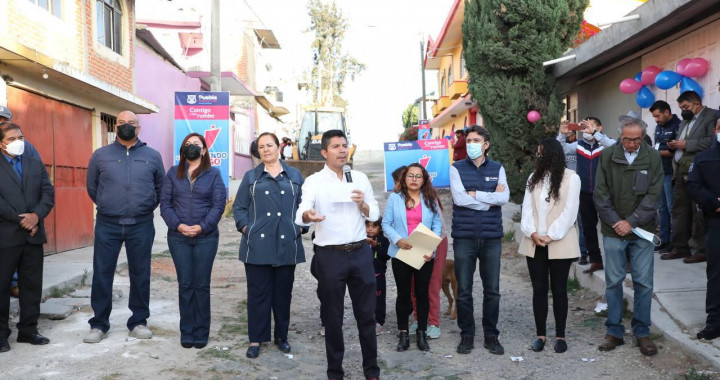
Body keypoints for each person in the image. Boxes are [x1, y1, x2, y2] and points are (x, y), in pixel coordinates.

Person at [295, 129, 380, 380]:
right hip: (330, 256)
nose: (342, 150)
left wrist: (363, 205)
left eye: (345, 145)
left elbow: (374, 212)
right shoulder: (314, 182)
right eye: (336, 146)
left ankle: (372, 371)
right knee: (333, 318)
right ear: (324, 152)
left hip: (360, 253)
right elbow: (301, 211)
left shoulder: (360, 178)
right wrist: (308, 216)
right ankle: (335, 372)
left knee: (366, 315)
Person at [84, 110, 165, 343]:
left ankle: (138, 321)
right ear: (115, 127)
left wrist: (144, 205)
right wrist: (110, 204)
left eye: (131, 123)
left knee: (140, 274)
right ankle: (99, 324)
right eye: (121, 123)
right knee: (102, 274)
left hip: (141, 224)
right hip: (107, 224)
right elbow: (92, 187)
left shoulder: (152, 155)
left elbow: (160, 188)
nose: (126, 126)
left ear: (139, 128)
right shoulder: (100, 155)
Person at [593, 114, 663, 356]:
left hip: (642, 230)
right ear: (620, 136)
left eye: (636, 140)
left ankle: (642, 332)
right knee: (613, 282)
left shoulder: (652, 157)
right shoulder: (607, 155)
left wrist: (631, 222)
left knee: (644, 283)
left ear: (643, 137)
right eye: (626, 139)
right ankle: (614, 331)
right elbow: (600, 195)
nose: (631, 144)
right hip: (613, 230)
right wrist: (617, 223)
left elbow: (654, 195)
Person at [233, 132, 306, 359]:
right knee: (257, 294)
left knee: (283, 295)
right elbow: (239, 208)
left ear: (278, 147)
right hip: (257, 247)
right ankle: (256, 339)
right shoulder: (251, 177)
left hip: (287, 245)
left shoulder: (294, 175)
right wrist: (248, 229)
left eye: (270, 145)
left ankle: (281, 337)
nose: (266, 150)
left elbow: (306, 206)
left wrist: (300, 228)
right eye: (261, 146)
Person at [160, 133, 226, 349]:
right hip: (178, 237)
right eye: (188, 144)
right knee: (186, 284)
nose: (192, 147)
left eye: (196, 145)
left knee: (201, 285)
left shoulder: (214, 174)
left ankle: (201, 331)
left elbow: (218, 205)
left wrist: (202, 226)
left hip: (206, 238)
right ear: (182, 150)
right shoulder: (172, 173)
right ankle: (187, 331)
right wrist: (178, 225)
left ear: (204, 150)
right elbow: (166, 205)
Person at [449, 125, 509, 355]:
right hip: (464, 237)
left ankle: (491, 335)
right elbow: (460, 199)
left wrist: (476, 194)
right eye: (469, 140)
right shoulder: (456, 168)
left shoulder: (497, 168)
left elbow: (503, 197)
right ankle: (467, 335)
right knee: (463, 289)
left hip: (491, 237)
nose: (471, 144)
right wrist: (489, 200)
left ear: (486, 144)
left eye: (476, 140)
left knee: (492, 290)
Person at [519, 138, 581, 354]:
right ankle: (540, 335)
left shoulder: (571, 178)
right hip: (534, 241)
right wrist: (532, 232)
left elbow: (570, 212)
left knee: (559, 289)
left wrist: (551, 235)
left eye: (541, 153)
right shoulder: (533, 178)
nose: (538, 157)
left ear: (552, 154)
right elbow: (526, 208)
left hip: (560, 242)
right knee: (539, 289)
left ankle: (561, 336)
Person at [0, 122, 55, 353]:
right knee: (2, 286)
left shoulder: (33, 161)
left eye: (20, 137)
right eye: (12, 139)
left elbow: (47, 192)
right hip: (6, 236)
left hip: (33, 235)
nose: (17, 142)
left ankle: (29, 330)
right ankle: (2, 335)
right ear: (1, 143)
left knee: (31, 285)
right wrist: (20, 219)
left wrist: (36, 216)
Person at [382, 163, 443, 352]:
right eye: (410, 176)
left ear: (424, 180)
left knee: (422, 294)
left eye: (418, 176)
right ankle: (403, 333)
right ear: (404, 179)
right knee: (403, 295)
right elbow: (386, 223)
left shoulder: (430, 198)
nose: (414, 179)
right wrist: (397, 239)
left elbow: (437, 224)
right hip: (401, 253)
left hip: (423, 255)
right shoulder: (395, 198)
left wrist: (431, 248)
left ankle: (421, 333)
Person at [663, 91, 718, 264]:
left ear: (697, 103)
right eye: (680, 108)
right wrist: (674, 144)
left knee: (698, 211)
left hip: (698, 170)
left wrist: (687, 144)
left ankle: (702, 249)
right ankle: (680, 246)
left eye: (686, 107)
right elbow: (681, 139)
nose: (683, 111)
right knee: (680, 210)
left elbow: (711, 141)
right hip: (680, 169)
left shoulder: (712, 116)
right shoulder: (685, 121)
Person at [559, 117, 616, 274]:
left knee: (612, 226)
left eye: (590, 125)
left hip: (604, 192)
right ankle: (596, 260)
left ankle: (618, 260)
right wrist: (562, 135)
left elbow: (616, 147)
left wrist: (596, 134)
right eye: (584, 126)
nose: (586, 129)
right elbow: (559, 150)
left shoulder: (604, 144)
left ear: (600, 127)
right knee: (588, 228)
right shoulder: (579, 145)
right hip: (584, 192)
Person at [0, 106, 42, 300]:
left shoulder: (26, 147)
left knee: (26, 273)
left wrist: (33, 216)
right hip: (5, 219)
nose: (1, 123)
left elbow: (40, 183)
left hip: (22, 222)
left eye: (4, 120)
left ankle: (15, 284)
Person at [687, 115, 720, 340]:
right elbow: (693, 186)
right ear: (716, 129)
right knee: (716, 274)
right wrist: (714, 204)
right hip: (716, 222)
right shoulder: (703, 158)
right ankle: (714, 322)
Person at [649, 101, 681, 253]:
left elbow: (672, 151)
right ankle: (664, 239)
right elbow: (658, 148)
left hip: (671, 173)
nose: (656, 119)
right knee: (661, 209)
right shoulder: (658, 127)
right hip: (659, 172)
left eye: (658, 116)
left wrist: (652, 152)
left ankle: (675, 242)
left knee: (671, 208)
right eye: (654, 117)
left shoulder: (678, 126)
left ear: (667, 112)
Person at [557, 121, 588, 265]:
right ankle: (570, 251)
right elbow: (559, 148)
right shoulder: (575, 146)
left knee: (583, 223)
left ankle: (583, 253)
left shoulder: (593, 147)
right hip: (568, 189)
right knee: (569, 222)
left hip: (584, 190)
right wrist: (562, 134)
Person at [365, 219, 390, 335]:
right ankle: (367, 320)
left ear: (380, 228)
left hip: (378, 275)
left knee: (379, 300)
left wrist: (375, 246)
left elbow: (386, 256)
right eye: (368, 226)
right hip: (364, 275)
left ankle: (379, 321)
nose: (370, 229)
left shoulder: (383, 241)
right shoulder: (361, 240)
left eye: (373, 226)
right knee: (365, 298)